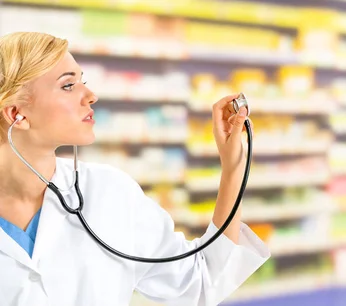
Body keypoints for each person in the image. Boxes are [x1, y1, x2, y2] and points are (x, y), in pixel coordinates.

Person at [0, 32, 270, 306]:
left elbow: (198, 282)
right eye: (68, 85)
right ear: (16, 114)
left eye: (83, 81)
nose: (91, 96)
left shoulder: (111, 193)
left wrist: (232, 167)